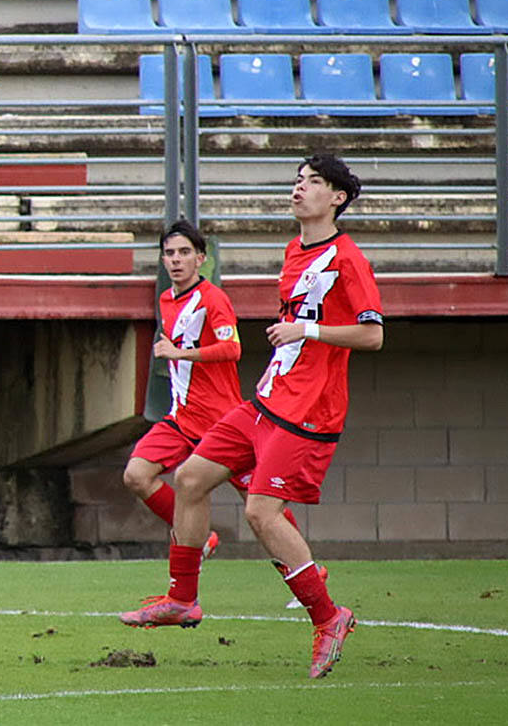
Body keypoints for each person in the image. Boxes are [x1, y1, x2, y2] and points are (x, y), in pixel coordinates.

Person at [119, 153, 383, 681]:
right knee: (190, 479)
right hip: (265, 401)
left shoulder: (348, 259)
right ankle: (182, 600)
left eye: (311, 182)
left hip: (306, 413)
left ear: (337, 198)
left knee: (260, 514)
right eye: (297, 180)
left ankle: (329, 618)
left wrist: (307, 332)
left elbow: (373, 335)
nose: (298, 188)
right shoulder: (293, 250)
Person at [124, 221, 308, 569]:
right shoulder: (166, 299)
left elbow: (232, 348)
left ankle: (303, 569)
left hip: (221, 425)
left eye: (184, 253)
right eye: (169, 254)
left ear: (201, 259)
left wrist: (180, 354)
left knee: (261, 504)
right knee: (136, 475)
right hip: (181, 419)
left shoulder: (213, 299)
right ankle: (201, 537)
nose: (176, 260)